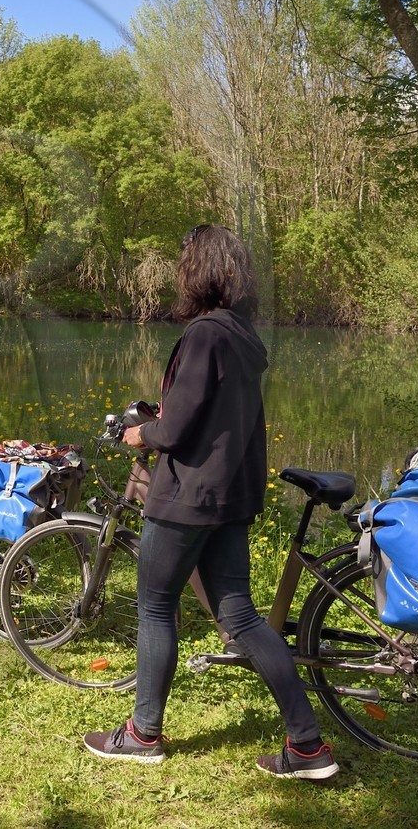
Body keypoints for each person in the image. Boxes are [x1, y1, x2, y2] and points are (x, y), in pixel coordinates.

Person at [83, 224, 339, 781]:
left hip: (187, 498)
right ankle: (308, 746)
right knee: (241, 616)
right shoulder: (244, 338)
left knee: (155, 606)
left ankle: (141, 733)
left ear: (198, 271)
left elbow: (174, 430)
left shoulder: (203, 335)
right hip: (230, 496)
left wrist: (140, 434)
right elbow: (212, 419)